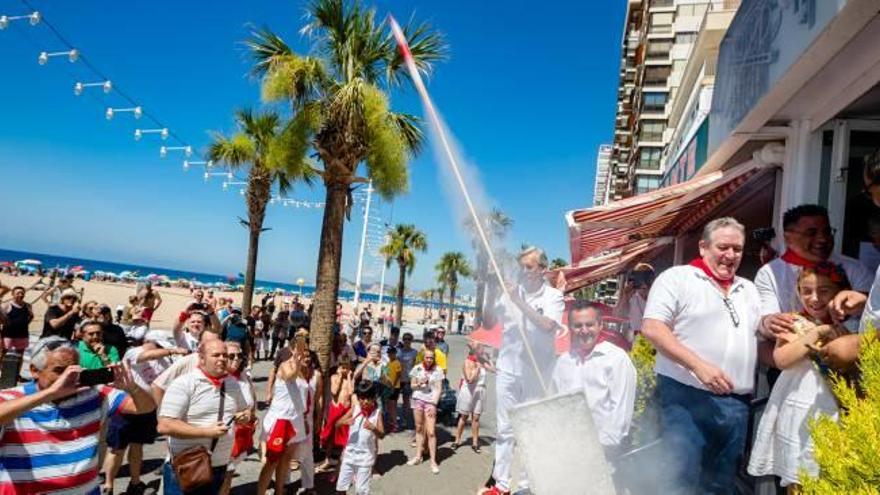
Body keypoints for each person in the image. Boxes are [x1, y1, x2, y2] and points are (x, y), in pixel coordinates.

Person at [641, 217, 761, 493]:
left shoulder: (749, 289)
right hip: (684, 399)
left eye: (738, 249)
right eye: (723, 247)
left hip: (736, 405)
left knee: (721, 484)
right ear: (703, 247)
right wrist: (699, 366)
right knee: (679, 480)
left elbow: (760, 335)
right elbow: (653, 328)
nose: (730, 255)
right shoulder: (677, 277)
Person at [0, 336, 155, 494]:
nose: (67, 377)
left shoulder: (94, 394)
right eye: (59, 371)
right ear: (34, 371)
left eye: (73, 370)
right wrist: (50, 394)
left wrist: (133, 388)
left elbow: (146, 407)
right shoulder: (11, 399)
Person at [748, 264, 851, 489]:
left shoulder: (850, 327)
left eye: (824, 291)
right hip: (797, 411)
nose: (814, 298)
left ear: (840, 291)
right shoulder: (793, 322)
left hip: (831, 409)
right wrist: (816, 333)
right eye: (807, 291)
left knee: (829, 471)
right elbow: (782, 360)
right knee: (798, 473)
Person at [480, 247, 564, 495]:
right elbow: (487, 322)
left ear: (543, 270)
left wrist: (519, 301)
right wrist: (493, 293)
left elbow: (548, 326)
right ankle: (501, 484)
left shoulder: (552, 296)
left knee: (530, 429)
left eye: (530, 266)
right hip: (508, 369)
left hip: (536, 371)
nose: (524, 271)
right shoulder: (509, 293)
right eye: (522, 267)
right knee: (505, 429)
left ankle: (527, 485)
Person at [757, 205, 872, 339]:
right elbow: (765, 322)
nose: (822, 239)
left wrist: (863, 301)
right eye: (811, 233)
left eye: (827, 231)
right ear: (788, 238)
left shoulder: (855, 268)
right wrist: (767, 322)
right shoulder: (770, 274)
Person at [158, 339, 250, 495]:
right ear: (201, 359)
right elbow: (165, 425)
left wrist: (245, 416)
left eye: (224, 355)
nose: (222, 359)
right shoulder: (184, 384)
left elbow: (244, 410)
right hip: (188, 466)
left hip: (219, 466)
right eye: (216, 355)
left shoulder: (232, 383)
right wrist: (207, 432)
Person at [104, 331, 187, 495]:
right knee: (117, 448)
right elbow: (145, 355)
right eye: (159, 346)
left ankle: (135, 483)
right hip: (127, 406)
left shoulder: (164, 360)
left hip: (148, 408)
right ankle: (108, 485)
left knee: (137, 446)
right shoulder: (134, 351)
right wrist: (172, 351)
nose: (161, 350)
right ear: (151, 341)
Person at [550, 300, 637, 450]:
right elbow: (556, 404)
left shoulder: (616, 359)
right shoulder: (563, 362)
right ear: (570, 327)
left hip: (604, 448)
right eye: (578, 326)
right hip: (568, 446)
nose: (584, 330)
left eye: (589, 324)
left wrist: (605, 446)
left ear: (600, 325)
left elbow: (621, 411)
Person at [257, 348, 307, 495]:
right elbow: (289, 376)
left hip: (295, 419)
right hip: (281, 420)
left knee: (286, 460)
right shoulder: (284, 367)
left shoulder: (300, 369)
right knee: (272, 461)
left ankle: (279, 491)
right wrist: (296, 363)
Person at [335, 380, 384, 495]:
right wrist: (345, 421)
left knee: (361, 491)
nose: (365, 402)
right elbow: (337, 424)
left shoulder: (377, 413)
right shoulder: (355, 409)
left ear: (374, 398)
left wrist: (373, 428)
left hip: (365, 458)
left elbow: (382, 435)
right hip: (349, 456)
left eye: (368, 398)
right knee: (341, 487)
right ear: (358, 398)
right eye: (362, 398)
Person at [222, 341, 257, 495]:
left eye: (239, 355)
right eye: (231, 356)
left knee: (230, 469)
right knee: (223, 470)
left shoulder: (243, 375)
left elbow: (252, 396)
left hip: (243, 429)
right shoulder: (220, 378)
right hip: (225, 433)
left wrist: (253, 414)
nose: (236, 359)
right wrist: (235, 417)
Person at [406, 348, 445, 474]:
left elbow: (438, 389)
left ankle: (433, 461)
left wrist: (434, 404)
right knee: (418, 428)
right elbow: (412, 386)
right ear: (423, 357)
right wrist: (419, 384)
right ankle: (418, 456)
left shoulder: (438, 370)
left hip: (430, 402)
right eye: (427, 357)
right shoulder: (417, 368)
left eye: (431, 358)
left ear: (434, 358)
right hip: (418, 400)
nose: (429, 360)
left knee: (431, 432)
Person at [318, 355, 355, 475]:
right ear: (339, 367)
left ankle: (344, 462)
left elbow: (350, 392)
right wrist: (339, 376)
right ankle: (327, 459)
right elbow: (334, 391)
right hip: (335, 408)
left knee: (346, 436)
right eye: (342, 367)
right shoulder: (334, 377)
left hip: (346, 409)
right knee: (330, 436)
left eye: (347, 368)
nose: (345, 370)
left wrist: (349, 377)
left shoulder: (351, 379)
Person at [295, 351, 322, 495]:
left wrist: (319, 420)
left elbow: (318, 399)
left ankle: (309, 485)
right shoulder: (293, 372)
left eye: (308, 356)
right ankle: (285, 483)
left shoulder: (316, 375)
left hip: (308, 418)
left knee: (307, 453)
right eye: (303, 356)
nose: (306, 359)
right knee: (288, 452)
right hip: (293, 417)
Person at [453, 344, 487, 453]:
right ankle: (457, 440)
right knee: (464, 417)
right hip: (468, 391)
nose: (484, 350)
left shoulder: (482, 361)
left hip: (479, 392)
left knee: (476, 418)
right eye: (482, 349)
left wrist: (486, 362)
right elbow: (469, 380)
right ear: (475, 351)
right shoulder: (467, 362)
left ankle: (475, 443)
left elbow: (494, 369)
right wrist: (477, 369)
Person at [613, 263, 655, 338]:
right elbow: (618, 315)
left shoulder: (658, 295)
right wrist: (625, 296)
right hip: (637, 338)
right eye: (639, 277)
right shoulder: (631, 296)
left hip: (656, 337)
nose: (643, 281)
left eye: (646, 277)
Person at [0, 286, 33, 356]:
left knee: (20, 356)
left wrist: (25, 323)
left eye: (22, 293)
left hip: (22, 334)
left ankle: (18, 367)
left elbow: (31, 316)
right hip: (8, 334)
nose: (20, 295)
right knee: (2, 354)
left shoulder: (28, 305)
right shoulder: (6, 305)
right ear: (13, 294)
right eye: (18, 293)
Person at [397, 331, 418, 430]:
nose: (407, 341)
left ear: (411, 341)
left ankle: (405, 419)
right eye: (405, 339)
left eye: (409, 339)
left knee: (406, 400)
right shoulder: (398, 351)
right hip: (397, 379)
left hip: (408, 380)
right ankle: (395, 418)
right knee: (394, 400)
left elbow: (416, 366)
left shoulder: (414, 352)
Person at [383, 346, 402, 433]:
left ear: (395, 353)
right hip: (388, 387)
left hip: (394, 388)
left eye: (392, 353)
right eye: (389, 353)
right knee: (389, 406)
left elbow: (398, 375)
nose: (390, 354)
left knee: (392, 407)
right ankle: (391, 423)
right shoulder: (389, 363)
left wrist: (393, 386)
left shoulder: (397, 362)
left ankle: (395, 424)